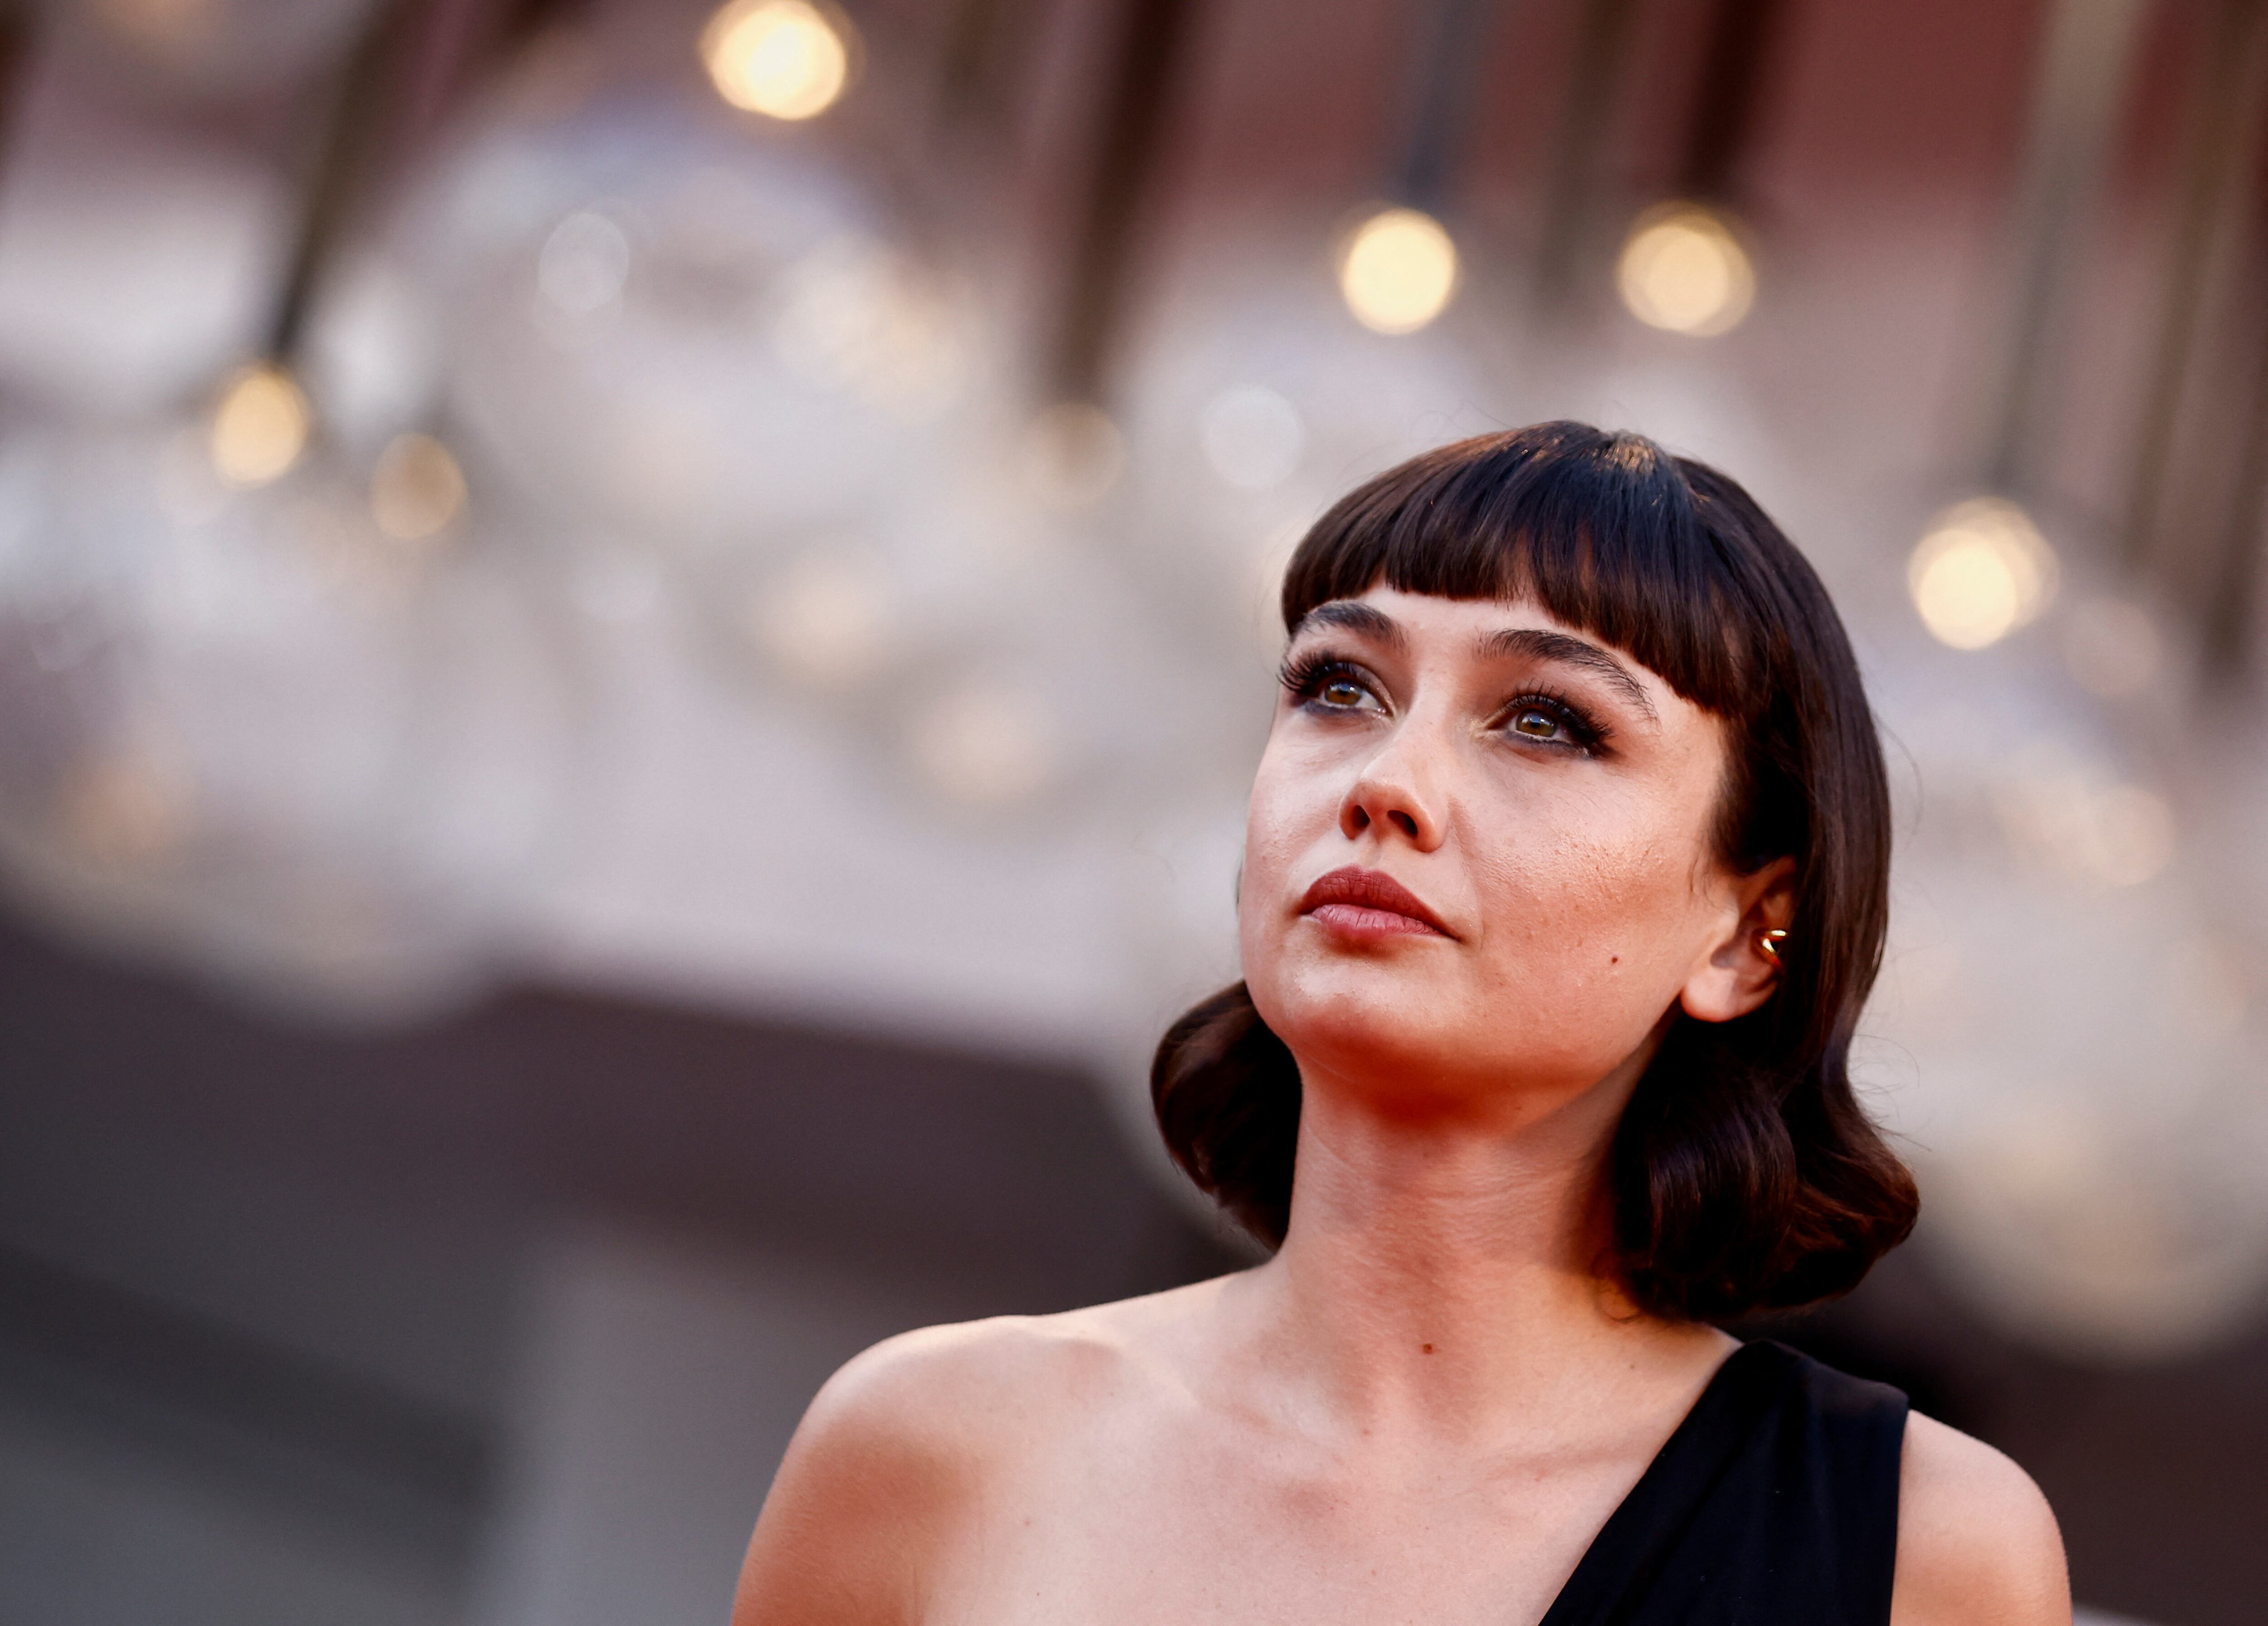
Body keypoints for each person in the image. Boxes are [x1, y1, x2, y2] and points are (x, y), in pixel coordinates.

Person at [732, 424, 2070, 1625]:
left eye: (1547, 720)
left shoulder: (1921, 1553)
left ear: (1742, 931)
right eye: (1337, 687)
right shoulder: (930, 1449)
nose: (1388, 780)